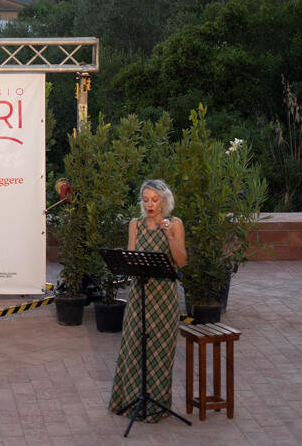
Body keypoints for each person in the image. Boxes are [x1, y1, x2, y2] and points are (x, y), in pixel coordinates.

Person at [108, 179, 188, 422]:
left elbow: (182, 261)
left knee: (160, 351)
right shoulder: (135, 224)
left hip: (164, 298)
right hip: (140, 295)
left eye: (155, 200)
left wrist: (168, 236)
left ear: (164, 200)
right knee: (133, 347)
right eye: (146, 200)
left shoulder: (175, 224)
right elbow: (131, 258)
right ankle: (131, 401)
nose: (150, 205)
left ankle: (156, 406)